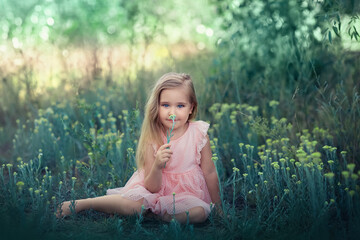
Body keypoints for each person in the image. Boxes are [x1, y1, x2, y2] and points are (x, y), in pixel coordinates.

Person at [57, 72, 221, 223]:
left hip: (185, 195)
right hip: (153, 190)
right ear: (156, 106)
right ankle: (84, 204)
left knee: (199, 213)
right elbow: (152, 187)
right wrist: (157, 165)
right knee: (135, 206)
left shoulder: (199, 134)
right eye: (165, 105)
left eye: (180, 106)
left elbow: (209, 172)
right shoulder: (153, 137)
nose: (172, 112)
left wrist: (218, 208)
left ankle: (163, 217)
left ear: (191, 107)